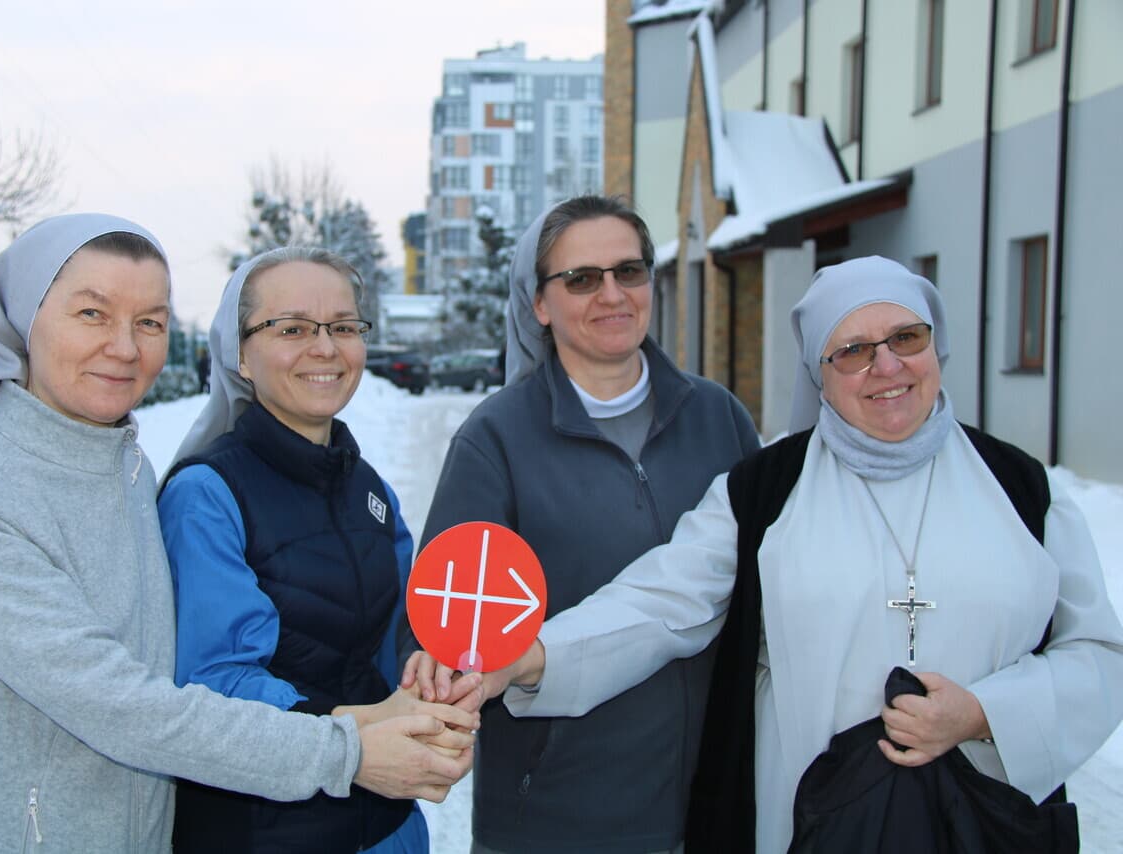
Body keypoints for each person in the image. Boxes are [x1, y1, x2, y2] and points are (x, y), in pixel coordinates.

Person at [439, 255, 1123, 852]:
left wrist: (985, 713)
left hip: (985, 818)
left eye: (906, 338)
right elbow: (662, 602)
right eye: (851, 350)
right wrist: (536, 656)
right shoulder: (766, 491)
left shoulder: (1021, 487)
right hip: (811, 821)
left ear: (936, 347)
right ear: (818, 375)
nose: (886, 366)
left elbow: (1098, 655)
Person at [0, 214, 476, 853]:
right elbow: (121, 704)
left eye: (149, 321)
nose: (124, 346)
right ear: (21, 320)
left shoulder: (125, 474)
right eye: (92, 313)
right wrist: (350, 746)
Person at [403, 195, 760, 853]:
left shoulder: (720, 418)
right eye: (582, 279)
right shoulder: (497, 439)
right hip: (556, 819)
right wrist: (441, 667)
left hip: (713, 805)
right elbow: (447, 623)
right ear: (539, 304)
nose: (612, 294)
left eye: (630, 271)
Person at [159, 246, 479, 853]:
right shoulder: (207, 495)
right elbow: (215, 682)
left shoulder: (370, 490)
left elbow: (403, 631)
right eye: (293, 328)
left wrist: (432, 685)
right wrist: (365, 733)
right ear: (240, 355)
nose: (325, 348)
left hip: (387, 827)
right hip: (268, 834)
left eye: (343, 327)